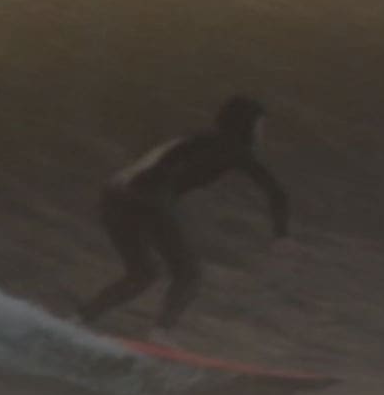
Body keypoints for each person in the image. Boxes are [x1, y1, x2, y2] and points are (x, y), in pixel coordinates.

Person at [79, 95, 290, 331]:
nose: (262, 132)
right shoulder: (234, 148)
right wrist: (281, 236)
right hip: (150, 198)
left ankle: (82, 319)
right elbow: (277, 193)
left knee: (143, 273)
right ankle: (162, 334)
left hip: (115, 194)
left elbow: (154, 162)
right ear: (246, 124)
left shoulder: (195, 136)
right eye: (260, 125)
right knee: (188, 274)